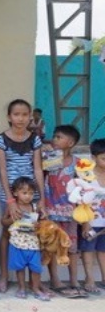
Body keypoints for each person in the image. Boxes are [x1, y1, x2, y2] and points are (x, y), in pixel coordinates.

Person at [0, 99, 45, 293]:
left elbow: (38, 169)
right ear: (9, 117)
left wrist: (41, 199)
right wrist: (10, 200)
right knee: (8, 233)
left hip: (31, 195)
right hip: (10, 194)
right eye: (16, 114)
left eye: (24, 115)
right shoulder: (1, 139)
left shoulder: (35, 139)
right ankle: (4, 278)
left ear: (30, 116)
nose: (20, 119)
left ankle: (34, 282)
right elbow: (2, 170)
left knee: (33, 232)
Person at [43, 125, 85, 297]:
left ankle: (74, 280)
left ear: (71, 142)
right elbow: (41, 174)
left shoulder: (78, 163)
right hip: (51, 209)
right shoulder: (49, 157)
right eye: (54, 136)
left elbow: (84, 188)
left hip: (71, 212)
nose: (54, 139)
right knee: (53, 246)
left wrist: (84, 212)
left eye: (59, 137)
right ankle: (55, 280)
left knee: (72, 248)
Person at [3, 177, 50, 301]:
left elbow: (42, 223)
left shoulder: (35, 207)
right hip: (17, 243)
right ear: (15, 193)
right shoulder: (12, 207)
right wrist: (12, 219)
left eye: (31, 193)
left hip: (33, 244)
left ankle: (35, 288)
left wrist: (39, 224)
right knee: (20, 267)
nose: (28, 196)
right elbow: (3, 222)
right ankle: (22, 288)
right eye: (24, 193)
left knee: (36, 268)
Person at [80, 139, 105, 293]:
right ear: (94, 157)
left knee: (103, 250)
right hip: (90, 221)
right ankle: (89, 278)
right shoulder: (87, 176)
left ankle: (104, 278)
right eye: (104, 158)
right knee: (88, 250)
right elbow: (81, 201)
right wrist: (85, 223)